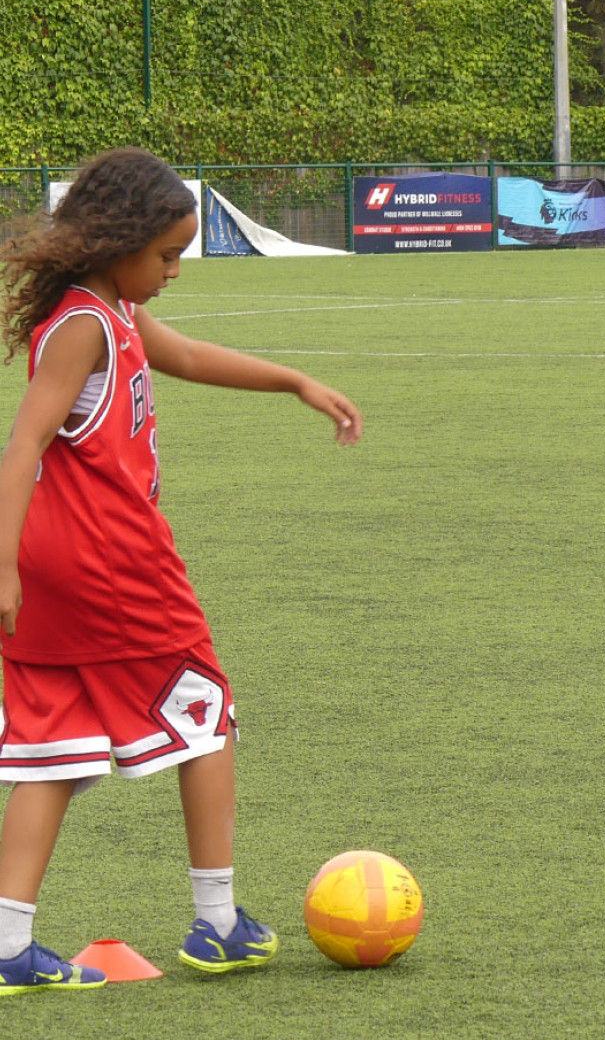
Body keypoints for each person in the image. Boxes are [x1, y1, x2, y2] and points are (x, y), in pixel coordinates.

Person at [0, 148, 362, 994]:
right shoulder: (87, 326)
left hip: (54, 571)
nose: (173, 271)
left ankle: (8, 943)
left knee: (58, 749)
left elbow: (191, 356)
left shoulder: (108, 310)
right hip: (113, 562)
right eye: (165, 255)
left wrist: (295, 382)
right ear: (118, 242)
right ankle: (219, 922)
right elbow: (24, 443)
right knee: (209, 713)